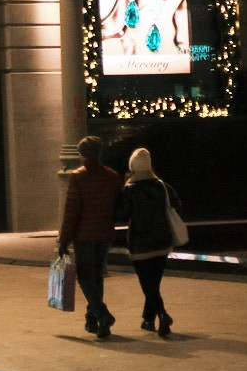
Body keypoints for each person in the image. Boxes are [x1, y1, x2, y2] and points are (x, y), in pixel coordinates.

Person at [57, 136, 124, 339]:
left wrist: (63, 240)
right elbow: (117, 206)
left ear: (82, 154)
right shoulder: (112, 176)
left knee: (85, 277)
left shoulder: (79, 177)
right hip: (104, 233)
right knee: (96, 277)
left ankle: (102, 315)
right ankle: (92, 320)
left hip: (84, 235)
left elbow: (72, 212)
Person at [117, 147, 183, 338]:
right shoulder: (162, 186)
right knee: (153, 282)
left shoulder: (130, 190)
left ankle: (162, 315)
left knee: (148, 284)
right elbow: (177, 205)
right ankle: (148, 318)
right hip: (162, 241)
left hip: (140, 242)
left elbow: (121, 214)